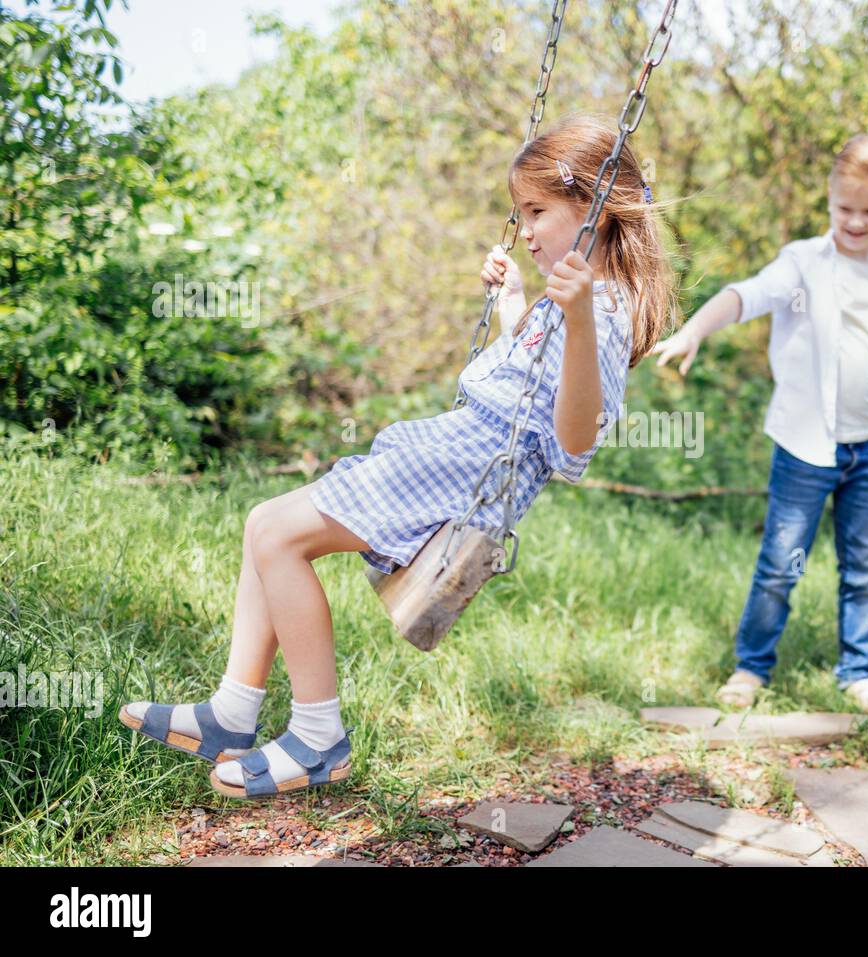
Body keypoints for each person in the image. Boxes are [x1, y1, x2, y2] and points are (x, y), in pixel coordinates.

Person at [118, 113, 676, 798]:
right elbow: (532, 378)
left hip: (460, 470)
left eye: (536, 210)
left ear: (592, 205)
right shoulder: (576, 297)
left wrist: (582, 316)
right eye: (518, 213)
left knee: (277, 535)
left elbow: (574, 440)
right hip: (447, 450)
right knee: (265, 521)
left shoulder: (605, 307)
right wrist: (512, 304)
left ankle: (318, 735)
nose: (525, 229)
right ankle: (233, 711)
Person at [652, 133, 868, 715]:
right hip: (806, 445)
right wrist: (694, 330)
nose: (856, 221)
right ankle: (751, 667)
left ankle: (857, 671)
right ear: (829, 200)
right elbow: (744, 296)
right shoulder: (804, 264)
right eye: (845, 208)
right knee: (781, 561)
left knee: (865, 565)